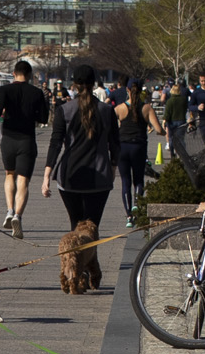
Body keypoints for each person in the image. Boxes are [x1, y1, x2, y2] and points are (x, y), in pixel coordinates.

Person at [44, 61, 120, 247]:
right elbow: (115, 145)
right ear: (94, 84)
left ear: (74, 85)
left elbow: (55, 143)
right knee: (92, 227)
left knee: (75, 225)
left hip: (70, 176)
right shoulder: (107, 111)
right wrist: (113, 168)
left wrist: (47, 176)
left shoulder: (64, 110)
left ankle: (75, 265)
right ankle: (89, 265)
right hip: (99, 176)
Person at [0, 59, 51, 234]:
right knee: (23, 180)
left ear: (14, 74)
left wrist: (3, 115)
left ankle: (9, 210)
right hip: (27, 139)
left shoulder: (4, 90)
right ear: (30, 75)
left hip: (8, 138)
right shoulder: (36, 92)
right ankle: (18, 215)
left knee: (10, 174)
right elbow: (43, 119)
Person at [113, 82, 154, 220]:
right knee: (138, 179)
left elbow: (111, 128)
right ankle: (137, 204)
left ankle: (129, 215)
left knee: (125, 181)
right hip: (139, 147)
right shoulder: (146, 108)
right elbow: (159, 129)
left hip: (123, 147)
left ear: (127, 90)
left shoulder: (119, 108)